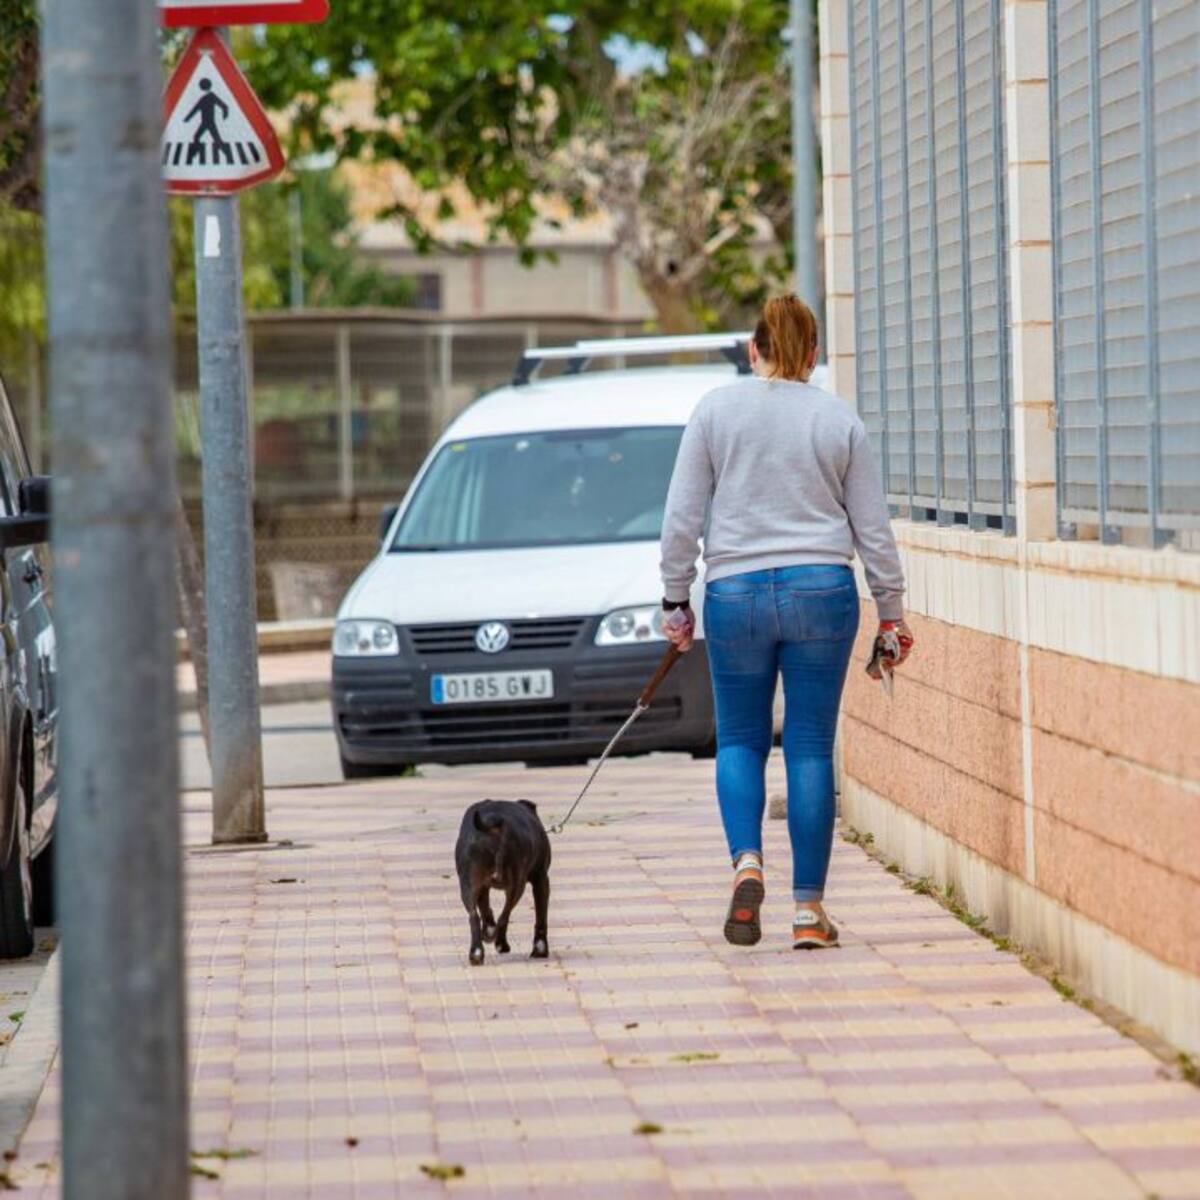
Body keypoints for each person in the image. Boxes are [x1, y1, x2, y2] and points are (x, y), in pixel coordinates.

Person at [659, 295, 912, 950]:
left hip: (736, 593)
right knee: (806, 744)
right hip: (821, 590)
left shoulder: (716, 410)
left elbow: (682, 517)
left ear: (754, 351)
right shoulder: (838, 419)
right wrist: (891, 612)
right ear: (812, 355)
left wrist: (674, 599)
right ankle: (808, 912)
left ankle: (746, 862)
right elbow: (873, 531)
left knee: (740, 739)